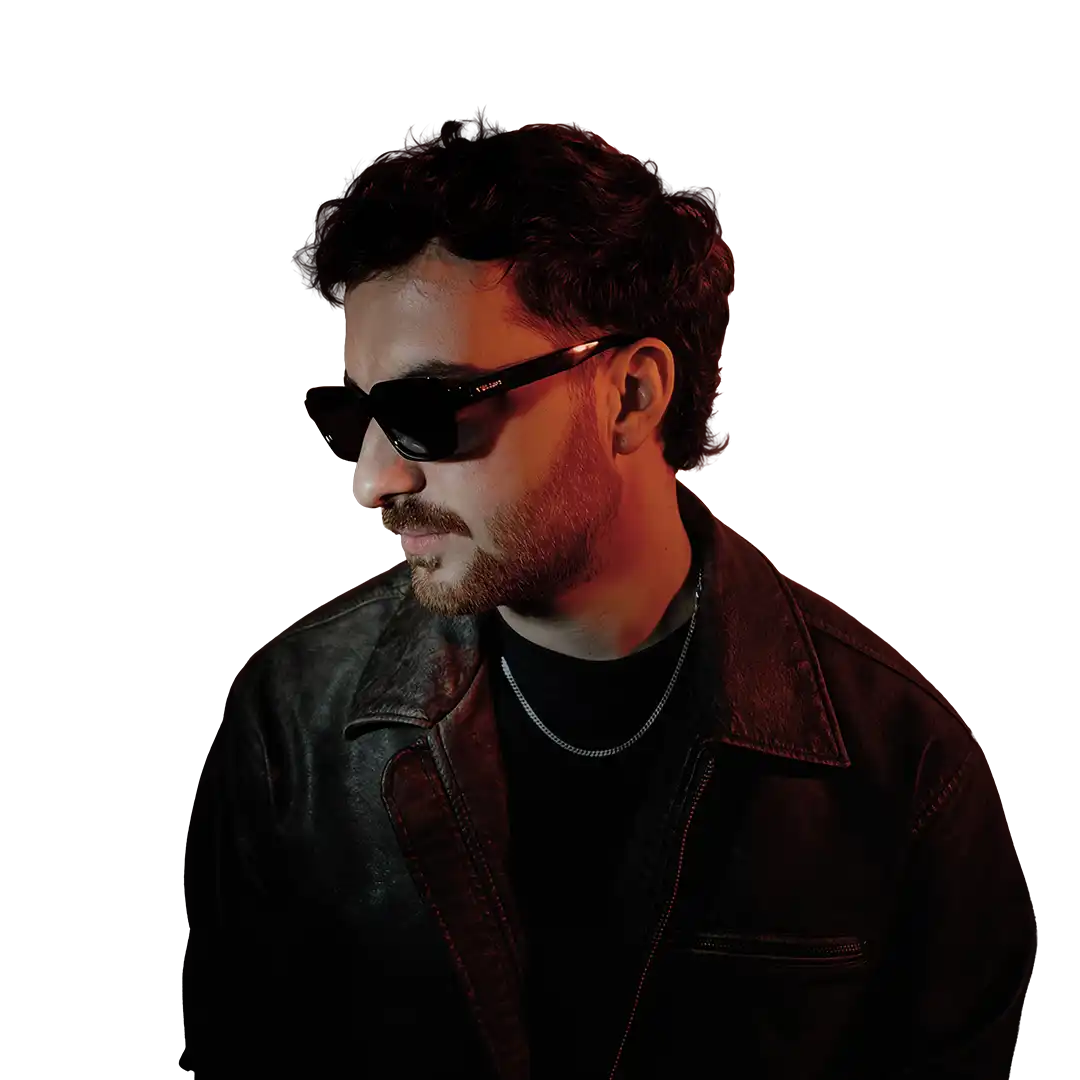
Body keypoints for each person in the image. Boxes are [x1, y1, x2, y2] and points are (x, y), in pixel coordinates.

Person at [179, 108, 1036, 1079]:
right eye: (352, 417)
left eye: (431, 409)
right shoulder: (295, 721)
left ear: (630, 396)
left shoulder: (901, 760)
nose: (372, 480)